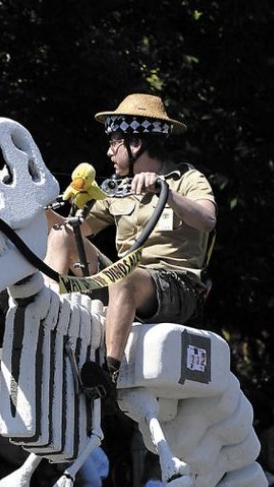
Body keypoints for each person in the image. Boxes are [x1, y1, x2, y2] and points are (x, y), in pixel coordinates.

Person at [45, 93, 217, 392]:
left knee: (122, 274)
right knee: (63, 235)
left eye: (114, 142)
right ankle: (44, 315)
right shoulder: (116, 188)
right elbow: (77, 229)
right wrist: (36, 208)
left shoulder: (186, 178)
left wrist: (167, 192)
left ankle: (108, 373)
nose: (109, 151)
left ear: (136, 144)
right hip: (124, 281)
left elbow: (207, 220)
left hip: (176, 288)